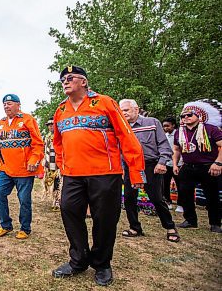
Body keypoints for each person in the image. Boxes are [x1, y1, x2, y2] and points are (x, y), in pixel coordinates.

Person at [51, 66, 145, 287]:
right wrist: (62, 166)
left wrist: (136, 169)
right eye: (63, 79)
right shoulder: (60, 110)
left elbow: (126, 135)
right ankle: (78, 260)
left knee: (104, 219)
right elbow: (58, 142)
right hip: (73, 174)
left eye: (70, 78)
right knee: (69, 211)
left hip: (105, 172)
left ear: (83, 82)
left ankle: (102, 263)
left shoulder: (104, 102)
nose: (65, 81)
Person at [119, 99, 179, 243]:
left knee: (156, 198)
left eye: (126, 110)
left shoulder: (152, 122)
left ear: (136, 109)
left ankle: (170, 227)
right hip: (130, 166)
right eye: (121, 110)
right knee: (129, 197)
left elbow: (163, 144)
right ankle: (135, 227)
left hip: (151, 165)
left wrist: (162, 162)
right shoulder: (120, 126)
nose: (123, 113)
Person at [0, 93, 44, 240]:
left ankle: (25, 228)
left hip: (24, 169)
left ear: (18, 104)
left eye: (9, 103)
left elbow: (38, 143)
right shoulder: (1, 123)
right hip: (6, 168)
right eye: (4, 104)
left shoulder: (27, 119)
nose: (6, 106)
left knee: (24, 199)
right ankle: (5, 225)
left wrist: (34, 160)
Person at [173, 101, 222, 233]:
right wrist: (175, 164)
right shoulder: (179, 132)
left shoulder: (211, 129)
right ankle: (190, 220)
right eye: (183, 116)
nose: (185, 117)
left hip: (208, 166)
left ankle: (215, 223)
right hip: (187, 166)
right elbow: (177, 150)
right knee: (185, 194)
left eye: (189, 115)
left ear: (199, 115)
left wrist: (218, 163)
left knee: (212, 195)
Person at [162, 117, 182, 211]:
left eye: (167, 126)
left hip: (179, 163)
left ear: (173, 125)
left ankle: (180, 204)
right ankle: (168, 201)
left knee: (180, 184)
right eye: (164, 126)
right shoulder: (164, 136)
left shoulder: (179, 134)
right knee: (165, 184)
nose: (165, 128)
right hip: (167, 163)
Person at [42, 119, 61, 210]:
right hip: (49, 163)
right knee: (50, 181)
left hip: (58, 163)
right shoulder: (47, 136)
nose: (50, 126)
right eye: (49, 125)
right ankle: (54, 199)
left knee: (58, 182)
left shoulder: (60, 135)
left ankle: (58, 200)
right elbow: (45, 149)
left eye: (52, 124)